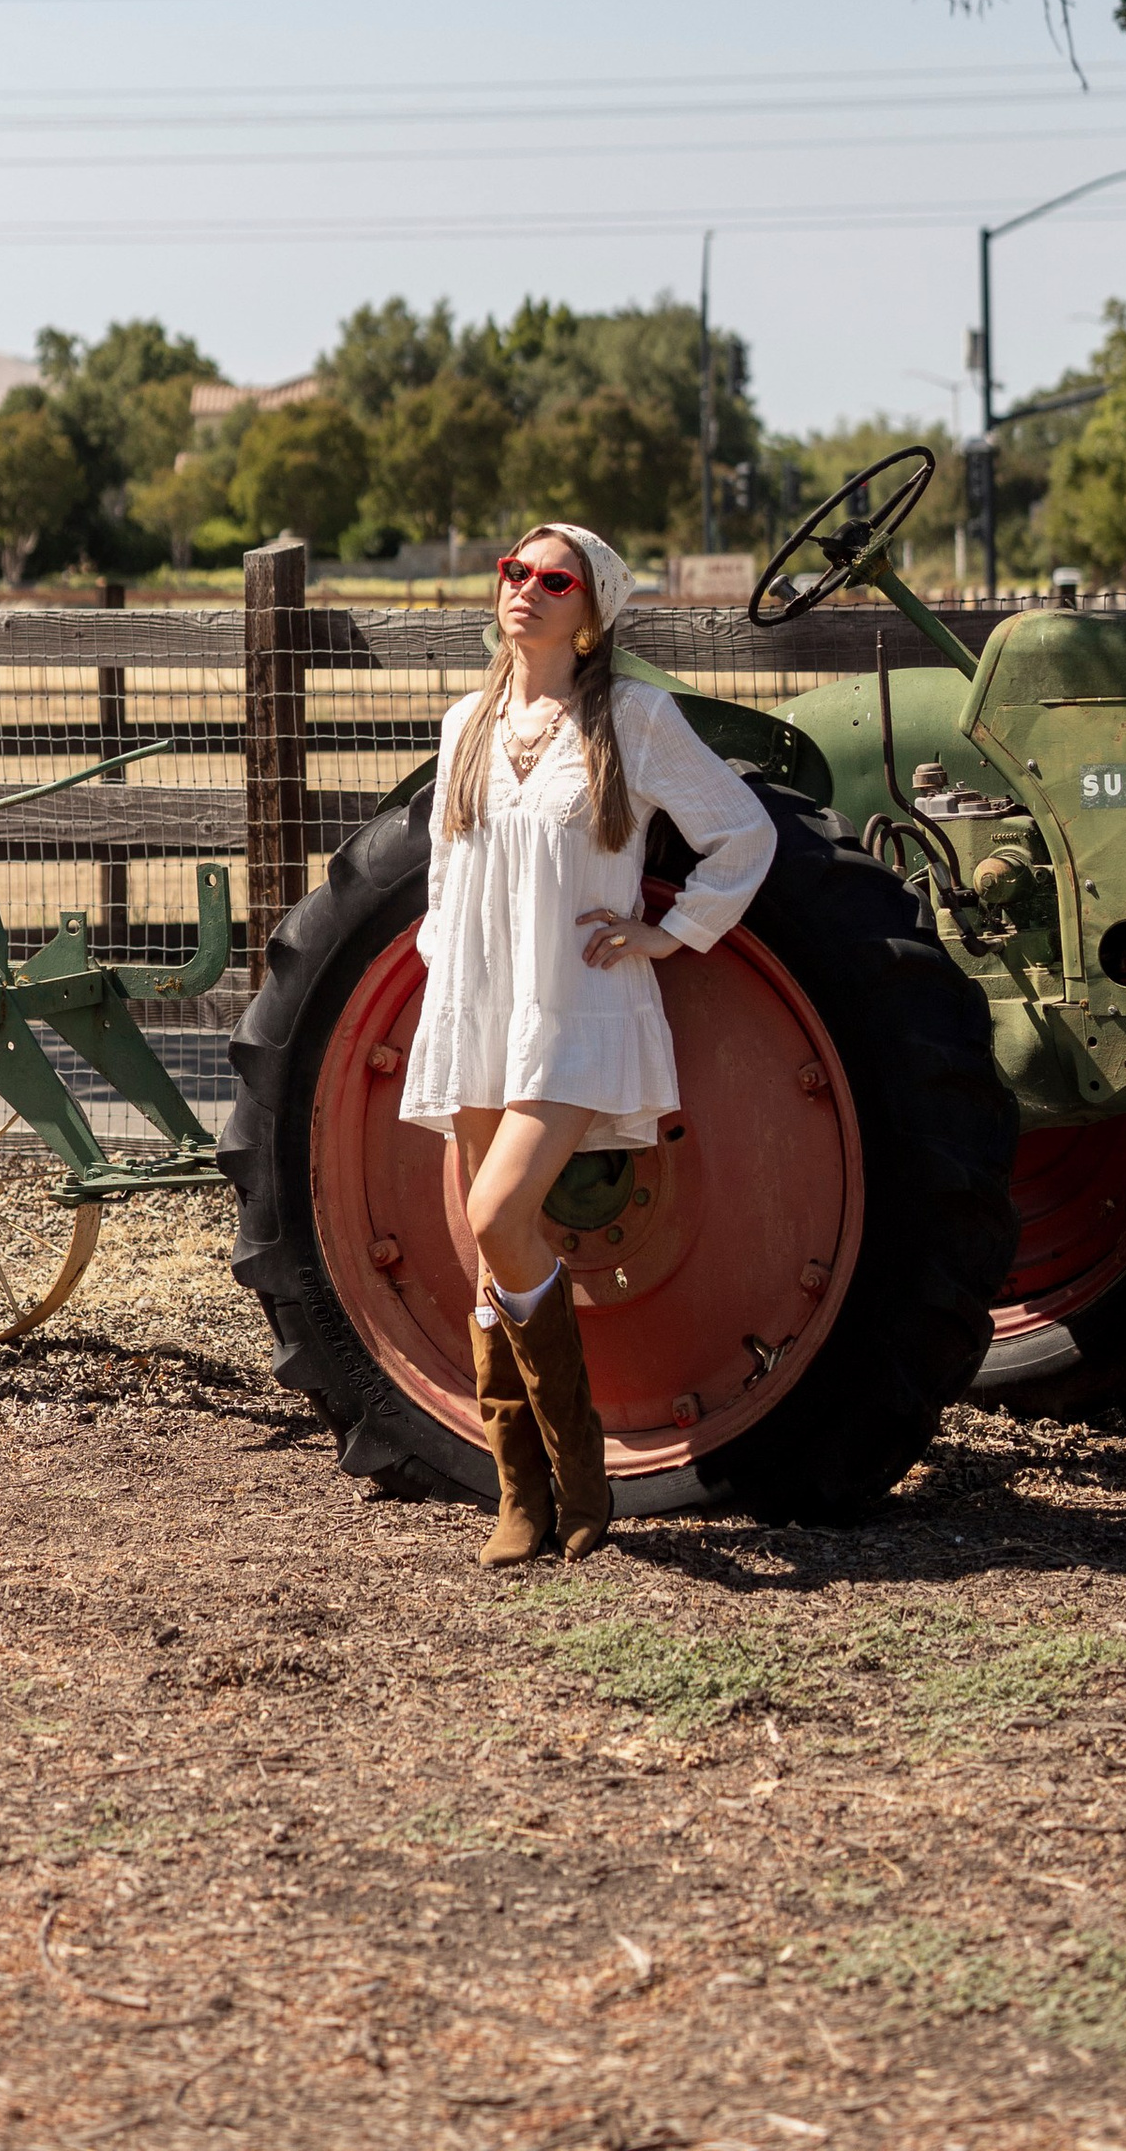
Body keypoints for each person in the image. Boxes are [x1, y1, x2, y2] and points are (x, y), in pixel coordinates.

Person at [399, 521, 778, 1567]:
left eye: (551, 578)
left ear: (592, 610)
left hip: (577, 1010)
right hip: (480, 1006)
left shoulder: (634, 719)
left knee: (496, 1212)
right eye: (513, 572)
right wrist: (444, 976)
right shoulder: (464, 724)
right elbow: (443, 875)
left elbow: (742, 832)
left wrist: (670, 930)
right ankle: (530, 1494)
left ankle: (579, 1473)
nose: (524, 589)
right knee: (492, 1250)